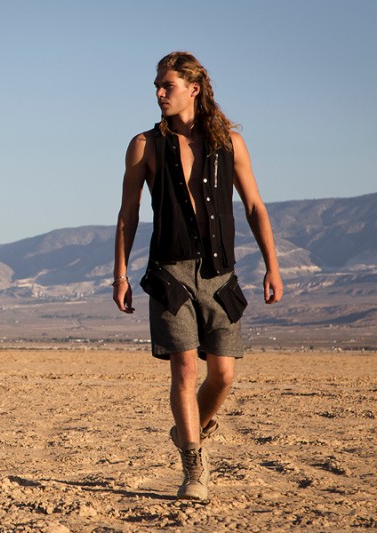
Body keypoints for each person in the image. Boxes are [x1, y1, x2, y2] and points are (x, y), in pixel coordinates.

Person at [112, 52, 283, 501]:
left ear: (194, 88)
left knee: (223, 374)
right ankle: (193, 467)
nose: (159, 93)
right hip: (169, 273)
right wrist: (120, 274)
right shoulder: (144, 145)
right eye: (157, 86)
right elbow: (128, 213)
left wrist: (272, 265)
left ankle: (191, 428)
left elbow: (254, 206)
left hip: (220, 274)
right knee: (185, 369)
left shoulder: (230, 142)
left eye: (167, 85)